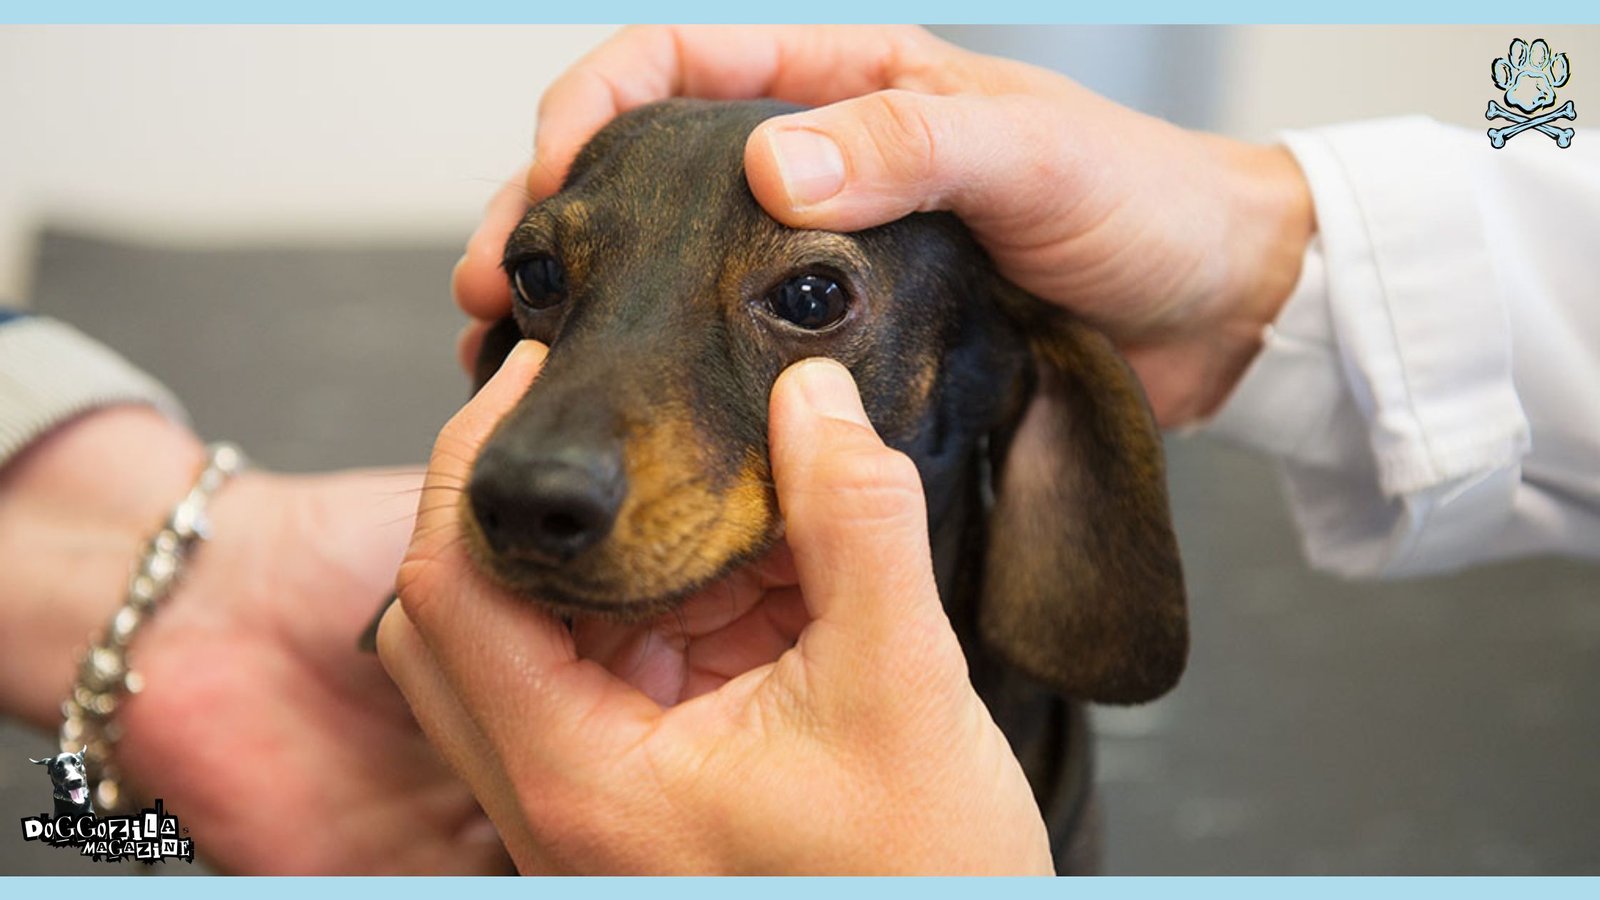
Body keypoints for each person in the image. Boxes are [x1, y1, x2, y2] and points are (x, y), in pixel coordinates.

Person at [3, 23, 1597, 874]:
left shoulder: (1027, 385)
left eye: (810, 297)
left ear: (1008, 394)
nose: (542, 464)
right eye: (554, 287)